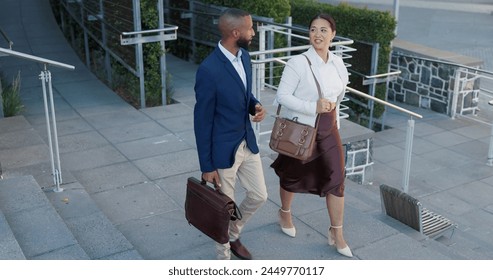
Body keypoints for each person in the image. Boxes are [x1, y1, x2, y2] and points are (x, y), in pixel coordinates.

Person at [270, 13, 352, 258]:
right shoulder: (298, 63)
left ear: (333, 34)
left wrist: (333, 117)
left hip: (329, 128)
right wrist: (312, 107)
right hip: (303, 129)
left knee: (337, 179)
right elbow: (281, 96)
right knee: (292, 174)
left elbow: (340, 92)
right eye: (313, 29)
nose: (318, 34)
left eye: (324, 30)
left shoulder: (338, 63)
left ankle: (336, 233)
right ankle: (284, 211)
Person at [193, 8, 268, 260]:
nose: (253, 32)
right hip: (223, 152)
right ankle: (223, 258)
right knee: (223, 208)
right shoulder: (209, 70)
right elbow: (201, 121)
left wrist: (254, 105)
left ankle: (233, 234)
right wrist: (207, 165)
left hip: (247, 141)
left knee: (259, 195)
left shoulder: (244, 57)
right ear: (236, 33)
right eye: (249, 28)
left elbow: (244, 93)